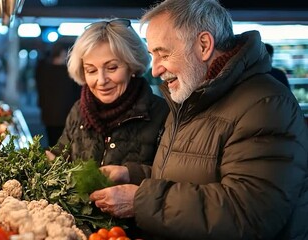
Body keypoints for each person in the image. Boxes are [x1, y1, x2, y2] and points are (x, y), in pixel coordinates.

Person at [89, 0, 308, 239]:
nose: (155, 70)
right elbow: (188, 174)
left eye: (163, 54)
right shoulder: (191, 97)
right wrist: (131, 175)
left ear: (204, 45)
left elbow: (248, 212)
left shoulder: (266, 105)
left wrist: (140, 201)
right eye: (153, 55)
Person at [47, 17, 167, 199]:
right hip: (79, 223)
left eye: (111, 68)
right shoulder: (79, 109)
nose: (101, 81)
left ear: (132, 66)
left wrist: (130, 173)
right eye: (91, 70)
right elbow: (61, 156)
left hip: (135, 225)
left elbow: (173, 180)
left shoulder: (161, 114)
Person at [35, 43, 81, 146]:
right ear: (63, 54)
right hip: (65, 114)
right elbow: (76, 94)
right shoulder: (69, 73)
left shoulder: (43, 69)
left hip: (49, 114)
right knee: (64, 144)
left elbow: (40, 90)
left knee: (52, 141)